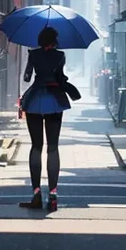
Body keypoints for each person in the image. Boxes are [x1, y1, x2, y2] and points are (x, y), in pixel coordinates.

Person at [19, 26, 80, 212]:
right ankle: (53, 194)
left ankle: (36, 192)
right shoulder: (60, 56)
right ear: (54, 40)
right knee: (53, 146)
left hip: (35, 99)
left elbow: (27, 78)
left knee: (36, 146)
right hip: (55, 99)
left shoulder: (33, 54)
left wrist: (32, 64)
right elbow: (60, 77)